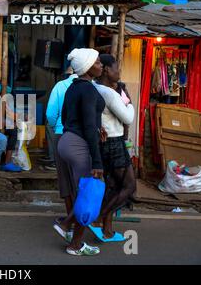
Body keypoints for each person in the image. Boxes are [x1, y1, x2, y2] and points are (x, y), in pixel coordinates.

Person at [53, 48, 105, 256]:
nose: (101, 65)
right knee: (89, 195)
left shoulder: (73, 88)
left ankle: (67, 226)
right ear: (88, 67)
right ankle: (73, 241)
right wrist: (98, 162)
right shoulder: (89, 90)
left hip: (66, 141)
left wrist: (93, 129)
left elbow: (66, 118)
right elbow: (89, 125)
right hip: (80, 146)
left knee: (82, 193)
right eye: (98, 62)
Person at [90, 54, 136, 241]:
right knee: (129, 186)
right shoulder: (108, 93)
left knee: (111, 186)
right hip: (114, 143)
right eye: (117, 68)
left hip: (102, 142)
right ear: (107, 70)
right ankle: (98, 218)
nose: (119, 73)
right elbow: (128, 118)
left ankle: (107, 231)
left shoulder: (94, 87)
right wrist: (130, 104)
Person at [46, 66, 78, 216]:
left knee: (65, 179)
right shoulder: (91, 87)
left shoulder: (60, 86)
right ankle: (80, 217)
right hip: (82, 137)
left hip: (62, 134)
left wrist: (56, 127)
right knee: (80, 178)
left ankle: (70, 216)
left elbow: (51, 114)